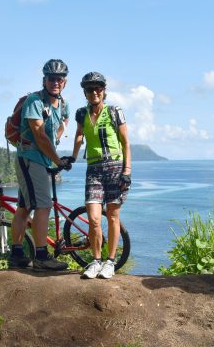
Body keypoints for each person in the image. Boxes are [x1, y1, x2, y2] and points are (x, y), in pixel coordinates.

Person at [8, 59, 75, 271]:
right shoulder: (35, 102)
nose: (56, 82)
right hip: (30, 158)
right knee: (43, 205)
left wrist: (59, 135)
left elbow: (62, 123)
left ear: (65, 82)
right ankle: (41, 256)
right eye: (51, 78)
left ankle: (17, 254)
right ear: (44, 80)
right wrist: (58, 160)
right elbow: (39, 136)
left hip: (42, 160)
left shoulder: (63, 105)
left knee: (24, 207)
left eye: (60, 79)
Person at [70, 71, 132, 279]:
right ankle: (96, 260)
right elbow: (79, 135)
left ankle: (110, 261)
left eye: (98, 88)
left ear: (104, 91)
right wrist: (72, 157)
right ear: (85, 92)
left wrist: (127, 171)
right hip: (93, 169)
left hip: (115, 167)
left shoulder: (115, 111)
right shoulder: (81, 113)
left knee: (113, 215)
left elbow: (125, 142)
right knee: (94, 218)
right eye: (89, 89)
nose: (94, 92)